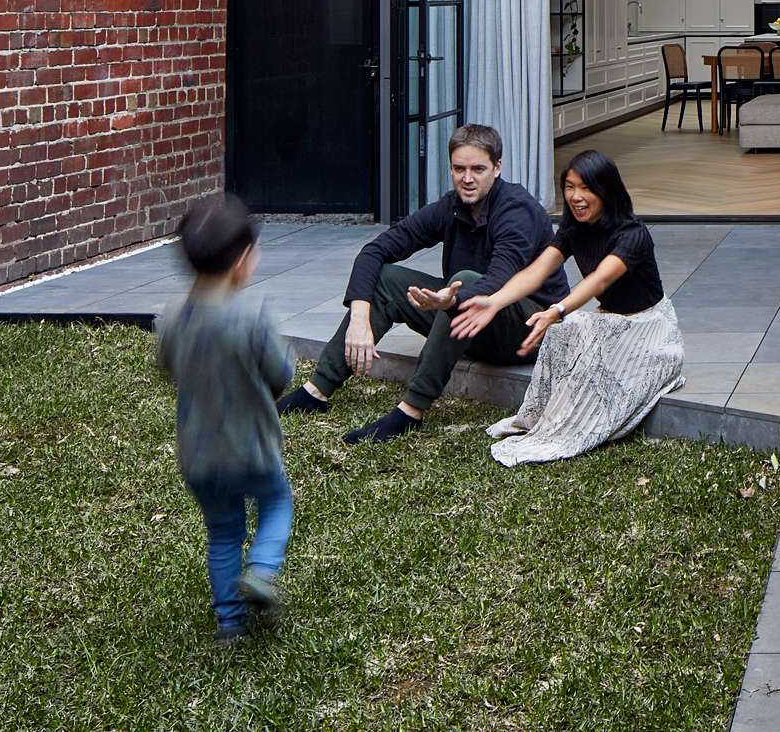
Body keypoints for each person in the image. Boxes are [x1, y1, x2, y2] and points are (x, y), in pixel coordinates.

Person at [281, 122, 566, 446]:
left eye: (478, 169)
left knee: (465, 282)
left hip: (527, 328)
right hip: (467, 318)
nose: (467, 178)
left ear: (497, 168)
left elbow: (498, 279)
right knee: (387, 279)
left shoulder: (517, 210)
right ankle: (316, 390)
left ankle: (410, 412)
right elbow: (375, 250)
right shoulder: (452, 206)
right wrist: (360, 318)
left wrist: (450, 298)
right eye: (459, 169)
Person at [449, 149, 684, 467]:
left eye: (587, 188)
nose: (577, 197)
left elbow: (599, 280)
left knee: (577, 341)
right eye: (570, 187)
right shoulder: (575, 230)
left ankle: (565, 429)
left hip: (647, 328)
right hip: (611, 320)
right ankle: (537, 419)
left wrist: (558, 309)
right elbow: (536, 271)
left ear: (607, 191)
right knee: (565, 333)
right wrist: (495, 300)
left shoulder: (633, 235)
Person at [156, 193, 294, 642]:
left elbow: (169, 366)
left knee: (222, 533)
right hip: (252, 448)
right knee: (276, 502)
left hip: (198, 456)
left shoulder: (172, 316)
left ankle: (230, 625)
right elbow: (280, 374)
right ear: (241, 262)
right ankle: (261, 569)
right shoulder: (251, 317)